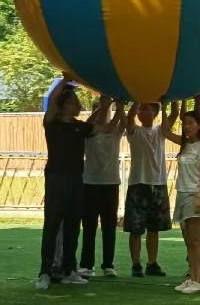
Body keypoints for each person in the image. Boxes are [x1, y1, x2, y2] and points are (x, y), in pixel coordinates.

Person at [36, 75, 108, 290]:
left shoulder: (79, 126)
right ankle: (45, 272)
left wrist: (106, 105)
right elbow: (52, 100)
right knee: (52, 225)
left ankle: (69, 270)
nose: (79, 105)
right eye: (75, 101)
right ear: (64, 105)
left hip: (77, 180)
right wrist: (64, 81)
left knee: (73, 226)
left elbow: (101, 127)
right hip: (56, 180)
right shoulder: (52, 123)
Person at [124, 101, 177, 278]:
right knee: (136, 228)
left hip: (158, 184)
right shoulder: (134, 131)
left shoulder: (161, 130)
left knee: (154, 228)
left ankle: (152, 263)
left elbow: (174, 114)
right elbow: (129, 117)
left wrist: (170, 101)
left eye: (146, 108)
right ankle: (136, 264)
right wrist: (137, 99)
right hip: (138, 184)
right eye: (140, 109)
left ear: (155, 112)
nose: (141, 111)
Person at [165, 108, 200, 294]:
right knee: (188, 242)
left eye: (191, 123)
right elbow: (165, 132)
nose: (186, 126)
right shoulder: (185, 144)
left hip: (194, 194)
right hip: (182, 194)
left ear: (199, 125)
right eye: (184, 123)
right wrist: (167, 107)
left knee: (197, 241)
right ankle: (193, 278)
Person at [79, 97, 126, 279]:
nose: (104, 113)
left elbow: (122, 121)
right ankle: (86, 265)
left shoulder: (115, 132)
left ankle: (108, 265)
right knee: (89, 227)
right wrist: (103, 106)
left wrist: (119, 106)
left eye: (106, 110)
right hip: (90, 184)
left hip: (110, 184)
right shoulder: (89, 133)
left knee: (109, 227)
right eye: (99, 110)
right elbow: (87, 124)